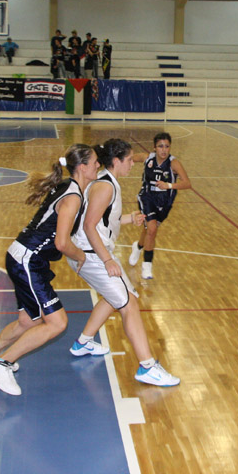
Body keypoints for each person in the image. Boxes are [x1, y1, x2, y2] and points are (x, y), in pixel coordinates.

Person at [0, 144, 100, 396]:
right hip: (28, 260)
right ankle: (3, 363)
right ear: (83, 167)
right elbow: (62, 243)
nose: (99, 165)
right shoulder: (73, 196)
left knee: (28, 320)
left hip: (23, 256)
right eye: (96, 161)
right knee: (57, 323)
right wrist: (80, 256)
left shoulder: (68, 186)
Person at [67, 139, 180, 387]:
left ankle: (83, 342)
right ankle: (147, 366)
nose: (132, 164)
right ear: (116, 161)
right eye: (129, 160)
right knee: (130, 304)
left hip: (94, 252)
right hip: (90, 254)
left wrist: (131, 218)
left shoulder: (109, 183)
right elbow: (88, 226)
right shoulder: (105, 186)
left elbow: (104, 220)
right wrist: (107, 260)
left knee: (118, 296)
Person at [127, 133, 191, 280]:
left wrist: (169, 185)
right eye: (160, 146)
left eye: (167, 146)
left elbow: (187, 183)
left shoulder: (174, 163)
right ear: (154, 147)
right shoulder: (146, 158)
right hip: (147, 197)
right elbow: (128, 158)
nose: (164, 150)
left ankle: (138, 247)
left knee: (149, 230)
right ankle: (147, 266)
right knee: (152, 228)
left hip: (165, 202)